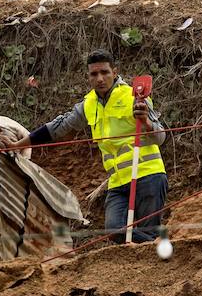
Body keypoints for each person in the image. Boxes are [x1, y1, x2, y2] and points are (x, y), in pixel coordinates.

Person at [24, 50, 167, 243]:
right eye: (94, 74)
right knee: (115, 230)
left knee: (146, 234)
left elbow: (160, 137)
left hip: (148, 175)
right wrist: (19, 144)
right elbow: (59, 127)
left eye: (105, 72)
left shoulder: (134, 96)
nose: (100, 78)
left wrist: (146, 123)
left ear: (114, 72)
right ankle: (159, 244)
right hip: (117, 181)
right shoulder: (88, 104)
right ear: (88, 76)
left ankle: (158, 247)